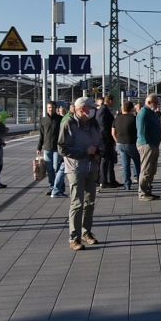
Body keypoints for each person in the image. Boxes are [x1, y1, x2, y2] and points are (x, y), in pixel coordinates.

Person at [59, 96, 103, 250]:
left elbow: (100, 140)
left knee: (90, 203)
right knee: (77, 203)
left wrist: (99, 152)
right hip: (76, 168)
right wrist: (85, 151)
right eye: (92, 108)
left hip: (92, 166)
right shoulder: (69, 124)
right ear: (82, 109)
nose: (94, 111)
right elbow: (62, 148)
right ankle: (74, 238)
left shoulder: (93, 123)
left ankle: (87, 232)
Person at [136, 93, 161, 201]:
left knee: (152, 170)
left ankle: (148, 190)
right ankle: (142, 193)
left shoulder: (151, 113)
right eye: (155, 103)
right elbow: (142, 131)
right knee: (146, 170)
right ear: (148, 103)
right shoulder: (143, 114)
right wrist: (150, 143)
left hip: (153, 145)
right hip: (146, 145)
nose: (157, 104)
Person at [36, 101, 65, 197]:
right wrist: (39, 147)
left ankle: (59, 187)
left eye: (52, 107)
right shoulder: (43, 120)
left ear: (55, 108)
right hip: (47, 148)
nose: (50, 109)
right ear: (46, 108)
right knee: (50, 170)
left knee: (57, 168)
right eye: (49, 107)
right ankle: (53, 188)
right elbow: (41, 134)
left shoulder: (60, 119)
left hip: (57, 148)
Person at [114, 100, 141, 191]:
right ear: (131, 109)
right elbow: (139, 130)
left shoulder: (117, 118)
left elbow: (113, 132)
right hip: (131, 143)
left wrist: (117, 141)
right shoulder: (134, 118)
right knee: (137, 162)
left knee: (125, 164)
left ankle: (127, 184)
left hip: (120, 143)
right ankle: (138, 181)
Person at [95, 94, 119, 189]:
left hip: (106, 139)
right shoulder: (103, 110)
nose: (114, 103)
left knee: (109, 160)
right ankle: (104, 181)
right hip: (105, 139)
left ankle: (111, 180)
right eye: (113, 101)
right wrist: (107, 138)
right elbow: (103, 126)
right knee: (105, 160)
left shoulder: (105, 110)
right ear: (110, 101)